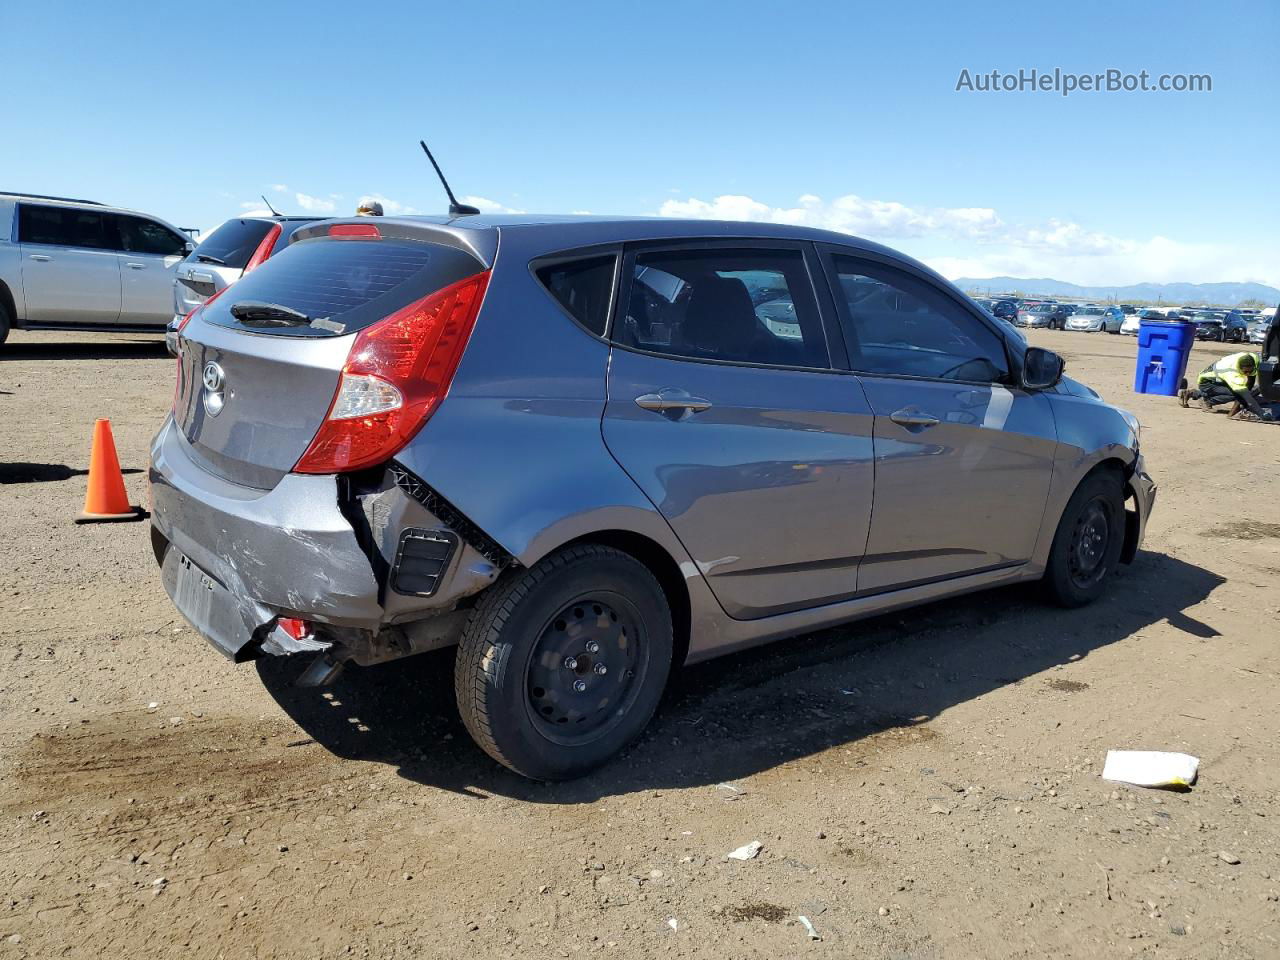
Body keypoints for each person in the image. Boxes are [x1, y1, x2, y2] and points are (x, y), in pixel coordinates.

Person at [1179, 351, 1273, 420]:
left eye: (1250, 371)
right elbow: (1246, 396)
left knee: (1243, 393)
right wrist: (1262, 414)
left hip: (1219, 377)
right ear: (1239, 368)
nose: (1248, 373)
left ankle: (1193, 393)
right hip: (1207, 382)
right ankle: (1207, 401)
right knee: (1236, 394)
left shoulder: (1253, 358)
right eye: (1245, 372)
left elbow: (1251, 381)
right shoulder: (1232, 374)